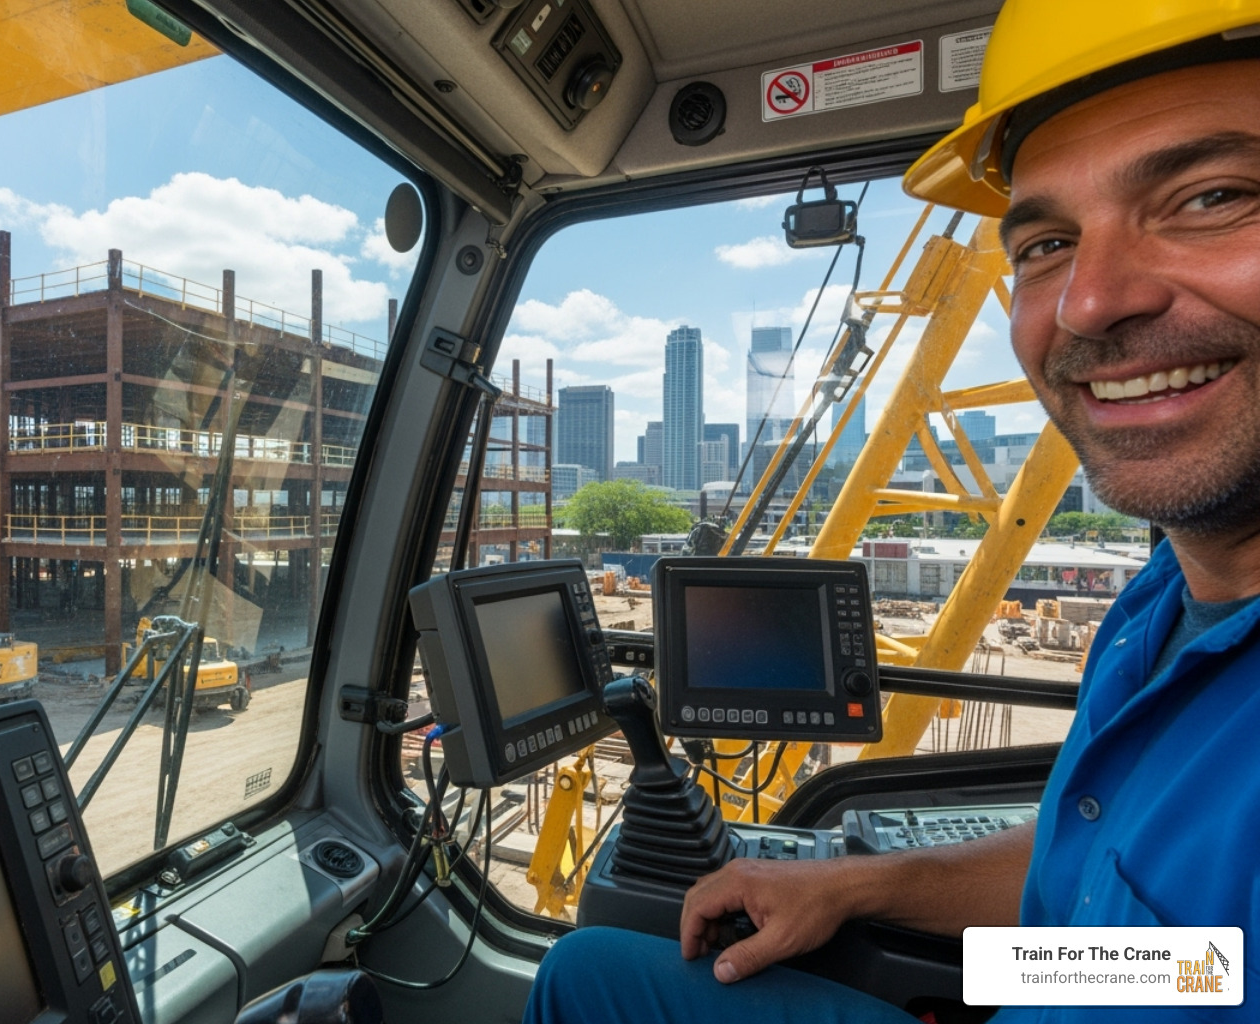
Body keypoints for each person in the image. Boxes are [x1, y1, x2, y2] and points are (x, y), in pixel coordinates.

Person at [524, 1, 1260, 1021]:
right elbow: (1170, 956)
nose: (1090, 300)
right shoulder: (1158, 607)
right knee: (585, 968)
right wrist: (856, 894)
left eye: (1211, 195)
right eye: (1045, 244)